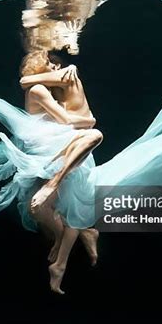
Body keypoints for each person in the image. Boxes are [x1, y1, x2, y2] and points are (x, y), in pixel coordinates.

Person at [19, 50, 102, 294]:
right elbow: (67, 120)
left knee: (72, 203)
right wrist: (88, 121)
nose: (57, 68)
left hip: (68, 145)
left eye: (56, 65)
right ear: (41, 68)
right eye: (51, 64)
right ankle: (69, 250)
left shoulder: (57, 81)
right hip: (58, 147)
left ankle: (62, 262)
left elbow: (68, 117)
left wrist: (87, 122)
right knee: (58, 208)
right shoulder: (39, 89)